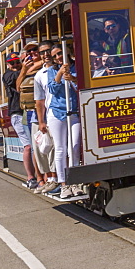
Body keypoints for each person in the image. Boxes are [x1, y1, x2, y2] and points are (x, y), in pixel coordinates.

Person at [46, 46, 84, 200]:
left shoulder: (77, 67)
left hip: (74, 112)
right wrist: (60, 74)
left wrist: (73, 78)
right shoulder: (51, 70)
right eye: (55, 56)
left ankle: (74, 182)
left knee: (74, 147)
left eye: (60, 53)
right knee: (61, 149)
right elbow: (52, 90)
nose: (59, 57)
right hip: (58, 113)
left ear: (67, 52)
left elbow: (82, 85)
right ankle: (64, 184)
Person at [1, 51, 37, 187]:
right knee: (28, 146)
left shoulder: (24, 70)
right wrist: (25, 68)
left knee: (38, 145)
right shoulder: (7, 76)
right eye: (12, 63)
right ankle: (30, 177)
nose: (16, 65)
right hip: (18, 114)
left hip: (31, 111)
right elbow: (18, 80)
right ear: (8, 64)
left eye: (18, 62)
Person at [31, 42, 59, 195]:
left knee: (56, 148)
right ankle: (48, 179)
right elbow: (39, 101)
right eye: (42, 52)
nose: (46, 55)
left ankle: (55, 178)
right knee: (42, 148)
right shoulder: (39, 75)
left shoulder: (59, 69)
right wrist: (41, 121)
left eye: (48, 51)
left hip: (59, 114)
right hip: (47, 116)